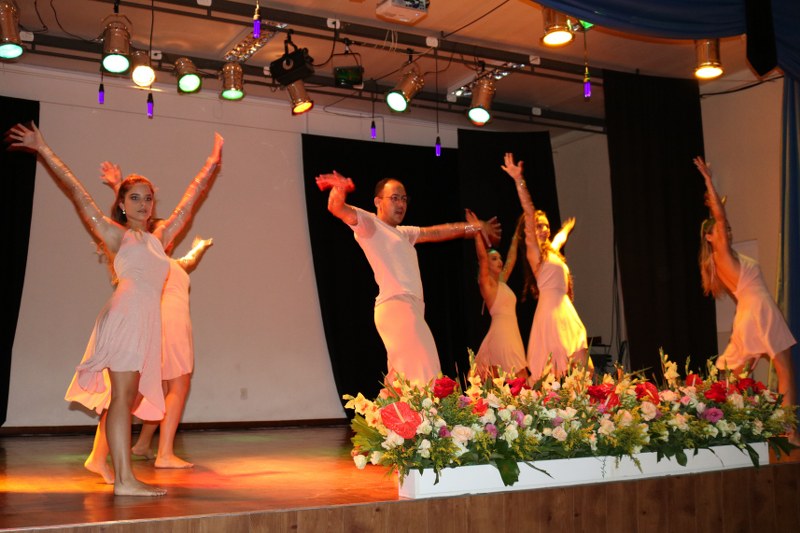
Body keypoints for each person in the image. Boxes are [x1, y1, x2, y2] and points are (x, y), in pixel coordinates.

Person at [4, 122, 223, 495]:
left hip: (145, 323)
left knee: (127, 397)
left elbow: (190, 200)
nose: (143, 204)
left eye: (148, 198)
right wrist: (43, 148)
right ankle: (124, 480)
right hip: (125, 317)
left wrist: (210, 164)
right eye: (134, 198)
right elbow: (77, 191)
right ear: (122, 204)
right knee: (123, 397)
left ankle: (113, 470)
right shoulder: (116, 235)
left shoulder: (159, 238)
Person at [316, 171, 501, 387]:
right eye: (394, 198)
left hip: (407, 308)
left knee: (402, 380)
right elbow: (337, 208)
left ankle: (390, 409)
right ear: (378, 201)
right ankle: (429, 409)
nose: (401, 204)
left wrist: (474, 227)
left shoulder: (404, 233)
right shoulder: (370, 224)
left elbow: (439, 232)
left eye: (404, 199)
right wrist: (339, 188)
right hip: (397, 306)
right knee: (427, 373)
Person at [101, 163, 213, 468]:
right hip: (165, 324)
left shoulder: (169, 263)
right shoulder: (147, 257)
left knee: (149, 391)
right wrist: (117, 186)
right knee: (165, 387)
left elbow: (186, 257)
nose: (168, 237)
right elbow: (131, 223)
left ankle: (139, 445)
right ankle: (162, 453)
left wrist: (200, 248)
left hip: (164, 325)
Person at [694, 156, 798, 445]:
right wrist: (709, 181)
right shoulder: (721, 255)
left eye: (727, 230)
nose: (726, 231)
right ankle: (789, 432)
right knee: (785, 370)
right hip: (758, 310)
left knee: (736, 377)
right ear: (710, 237)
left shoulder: (719, 260)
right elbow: (719, 215)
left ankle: (725, 425)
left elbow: (719, 219)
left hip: (749, 312)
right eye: (721, 230)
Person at [501, 153, 589, 381]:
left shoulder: (552, 252)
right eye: (539, 226)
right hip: (551, 313)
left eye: (546, 226)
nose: (544, 230)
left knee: (583, 368)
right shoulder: (535, 253)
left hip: (565, 310)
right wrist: (519, 181)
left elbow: (558, 239)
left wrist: (566, 230)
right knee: (551, 374)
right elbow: (529, 211)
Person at [465, 209, 528, 380]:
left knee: (498, 380)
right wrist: (477, 232)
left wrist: (517, 233)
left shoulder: (501, 282)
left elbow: (511, 259)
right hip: (503, 333)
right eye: (494, 258)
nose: (499, 261)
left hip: (511, 331)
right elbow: (482, 256)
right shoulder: (487, 284)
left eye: (499, 258)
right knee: (520, 378)